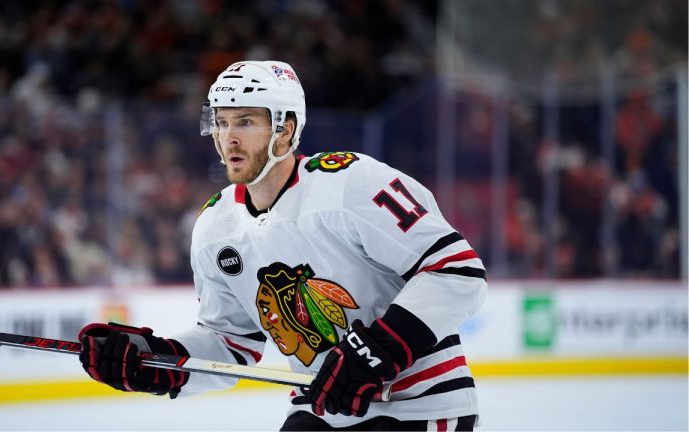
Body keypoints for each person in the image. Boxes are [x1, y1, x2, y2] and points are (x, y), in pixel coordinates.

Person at [78, 60, 487, 431]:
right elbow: (230, 342)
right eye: (220, 123)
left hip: (422, 405)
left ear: (285, 129)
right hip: (321, 409)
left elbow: (457, 271)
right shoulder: (214, 226)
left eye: (246, 122)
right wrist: (158, 360)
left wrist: (375, 353)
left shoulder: (350, 183)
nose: (228, 138)